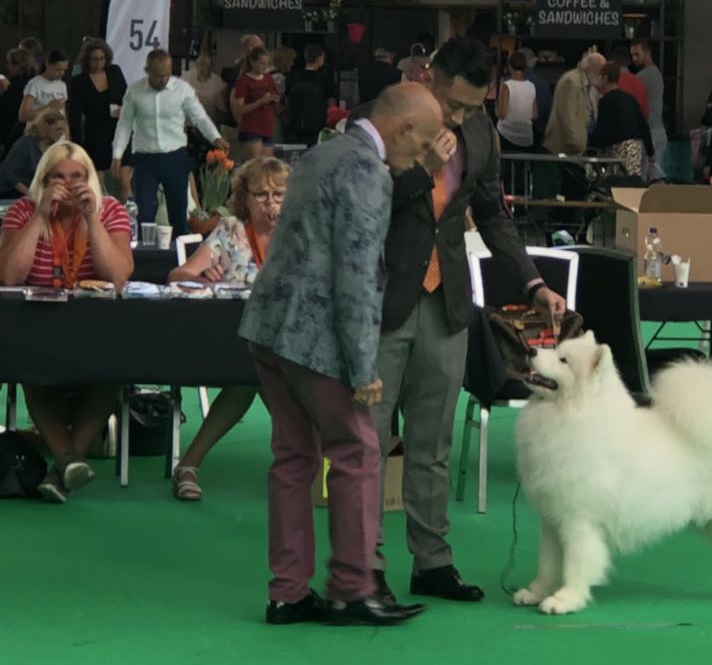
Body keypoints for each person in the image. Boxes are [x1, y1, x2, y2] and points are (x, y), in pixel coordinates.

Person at [373, 37, 568, 605]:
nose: (460, 117)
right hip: (384, 301)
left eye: (472, 106)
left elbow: (492, 215)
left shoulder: (480, 131)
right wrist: (424, 170)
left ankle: (432, 561)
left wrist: (532, 283)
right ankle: (363, 566)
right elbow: (367, 206)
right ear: (428, 77)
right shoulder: (381, 121)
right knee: (368, 442)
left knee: (433, 442)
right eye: (453, 104)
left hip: (448, 301)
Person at [240, 82, 443, 627]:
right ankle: (352, 588)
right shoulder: (368, 173)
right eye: (423, 145)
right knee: (357, 452)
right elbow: (356, 274)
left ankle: (287, 592)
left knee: (293, 459)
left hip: (269, 327)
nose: (424, 157)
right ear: (403, 129)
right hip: (317, 338)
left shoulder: (320, 153)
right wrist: (362, 366)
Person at [0, 141, 133, 503]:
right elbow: (9, 277)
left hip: (96, 329)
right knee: (30, 371)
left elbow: (118, 276)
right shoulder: (22, 211)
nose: (68, 184)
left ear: (90, 180)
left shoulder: (111, 211)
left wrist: (91, 219)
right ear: (43, 181)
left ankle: (62, 467)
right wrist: (40, 216)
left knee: (112, 372)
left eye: (77, 176)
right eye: (57, 177)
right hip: (38, 328)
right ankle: (68, 460)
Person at [167, 157, 290, 503]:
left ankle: (189, 465)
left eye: (279, 194)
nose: (270, 203)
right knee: (255, 373)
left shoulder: (300, 232)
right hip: (232, 338)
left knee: (254, 377)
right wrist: (201, 277)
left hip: (287, 340)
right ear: (245, 198)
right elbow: (177, 276)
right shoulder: (232, 230)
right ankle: (300, 458)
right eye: (261, 194)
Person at [111, 49, 228, 240]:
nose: (163, 80)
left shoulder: (182, 89)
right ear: (147, 71)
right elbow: (124, 123)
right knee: (144, 213)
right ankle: (144, 253)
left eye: (166, 75)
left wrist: (215, 137)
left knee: (179, 213)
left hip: (175, 157)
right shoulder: (134, 91)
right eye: (158, 76)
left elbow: (199, 116)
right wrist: (117, 153)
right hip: (145, 159)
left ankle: (180, 253)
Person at [67, 37, 130, 198]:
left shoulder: (115, 72)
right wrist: (77, 145)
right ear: (87, 60)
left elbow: (127, 97)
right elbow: (74, 115)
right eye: (94, 59)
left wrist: (125, 110)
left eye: (102, 59)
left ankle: (126, 211)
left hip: (118, 130)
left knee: (124, 182)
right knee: (96, 184)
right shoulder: (79, 82)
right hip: (95, 134)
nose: (98, 63)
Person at [591, 61, 653, 177]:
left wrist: (591, 145)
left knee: (616, 182)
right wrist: (650, 151)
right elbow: (643, 125)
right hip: (634, 148)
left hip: (617, 149)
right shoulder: (630, 98)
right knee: (633, 181)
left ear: (605, 78)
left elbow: (603, 129)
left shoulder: (605, 101)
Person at [544, 51, 606, 156]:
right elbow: (567, 116)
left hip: (579, 146)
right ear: (589, 68)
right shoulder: (571, 81)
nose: (601, 75)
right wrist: (576, 143)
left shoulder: (590, 84)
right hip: (564, 146)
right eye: (600, 71)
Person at [0, 105, 68, 198]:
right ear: (46, 127)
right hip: (13, 194)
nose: (61, 133)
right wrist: (30, 194)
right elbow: (7, 173)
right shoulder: (26, 144)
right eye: (58, 129)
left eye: (63, 130)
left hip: (38, 194)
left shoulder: (55, 148)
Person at [230, 46, 281, 161]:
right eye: (262, 63)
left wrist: (275, 99)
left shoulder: (268, 78)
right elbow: (239, 109)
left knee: (267, 164)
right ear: (252, 62)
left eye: (267, 64)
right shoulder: (244, 81)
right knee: (256, 163)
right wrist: (260, 101)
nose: (265, 67)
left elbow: (274, 97)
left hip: (267, 127)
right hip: (251, 128)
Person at [630, 40, 666, 176]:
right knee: (654, 175)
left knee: (643, 176)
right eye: (632, 55)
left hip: (649, 131)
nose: (634, 58)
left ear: (647, 52)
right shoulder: (656, 73)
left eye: (637, 54)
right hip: (658, 129)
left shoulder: (642, 77)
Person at [285, 44, 329, 148]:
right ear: (318, 58)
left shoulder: (293, 77)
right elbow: (330, 101)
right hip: (317, 124)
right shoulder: (323, 79)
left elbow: (287, 99)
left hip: (296, 123)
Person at [495, 51, 537, 153]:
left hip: (507, 136)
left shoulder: (507, 85)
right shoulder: (531, 86)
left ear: (509, 67)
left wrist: (496, 107)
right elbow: (535, 115)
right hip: (527, 138)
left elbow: (502, 115)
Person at [18, 48, 69, 123]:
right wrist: (48, 108)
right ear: (47, 65)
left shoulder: (62, 85)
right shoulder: (35, 84)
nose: (62, 73)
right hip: (38, 129)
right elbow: (23, 116)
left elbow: (63, 114)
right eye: (58, 69)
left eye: (64, 70)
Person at [181, 53, 228, 126]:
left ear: (211, 67)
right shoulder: (186, 77)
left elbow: (221, 109)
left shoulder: (218, 82)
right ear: (196, 65)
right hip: (188, 122)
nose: (202, 68)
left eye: (206, 65)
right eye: (201, 64)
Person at [0, 47, 34, 148]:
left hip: (11, 136)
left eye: (9, 63)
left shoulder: (13, 88)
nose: (7, 66)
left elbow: (6, 114)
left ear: (17, 65)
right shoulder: (35, 83)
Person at [519, 48, 553, 146]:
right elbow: (548, 112)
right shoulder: (544, 84)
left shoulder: (509, 82)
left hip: (511, 136)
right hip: (537, 136)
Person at [613, 45, 649, 120]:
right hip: (633, 124)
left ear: (613, 61)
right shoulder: (639, 81)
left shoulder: (609, 81)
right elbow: (645, 111)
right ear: (629, 62)